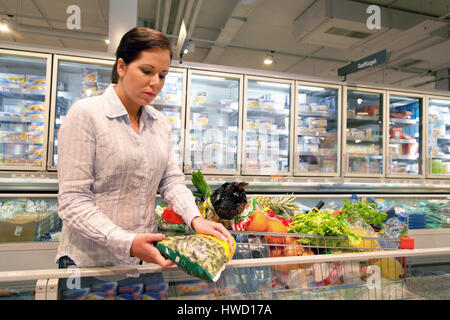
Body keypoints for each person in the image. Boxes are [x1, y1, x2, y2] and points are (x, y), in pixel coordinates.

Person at [56, 27, 234, 271]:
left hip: (145, 259)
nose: (155, 83)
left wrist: (196, 219)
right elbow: (73, 201)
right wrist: (126, 242)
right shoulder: (86, 115)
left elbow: (170, 181)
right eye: (147, 71)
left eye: (162, 75)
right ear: (121, 67)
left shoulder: (159, 123)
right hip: (91, 264)